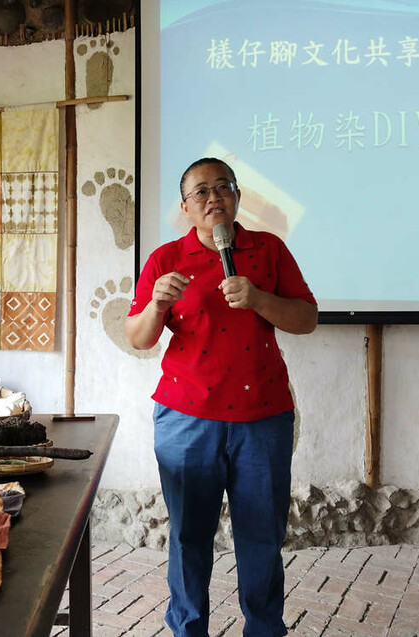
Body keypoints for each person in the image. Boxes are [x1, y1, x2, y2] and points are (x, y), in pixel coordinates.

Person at [125, 157, 317, 636]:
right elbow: (139, 338)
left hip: (263, 419)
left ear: (237, 197)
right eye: (201, 191)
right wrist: (157, 304)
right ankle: (188, 629)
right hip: (186, 420)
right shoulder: (166, 259)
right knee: (189, 537)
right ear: (185, 207)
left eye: (223, 187)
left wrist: (259, 299)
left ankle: (265, 629)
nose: (213, 198)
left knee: (262, 537)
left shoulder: (269, 249)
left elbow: (306, 319)